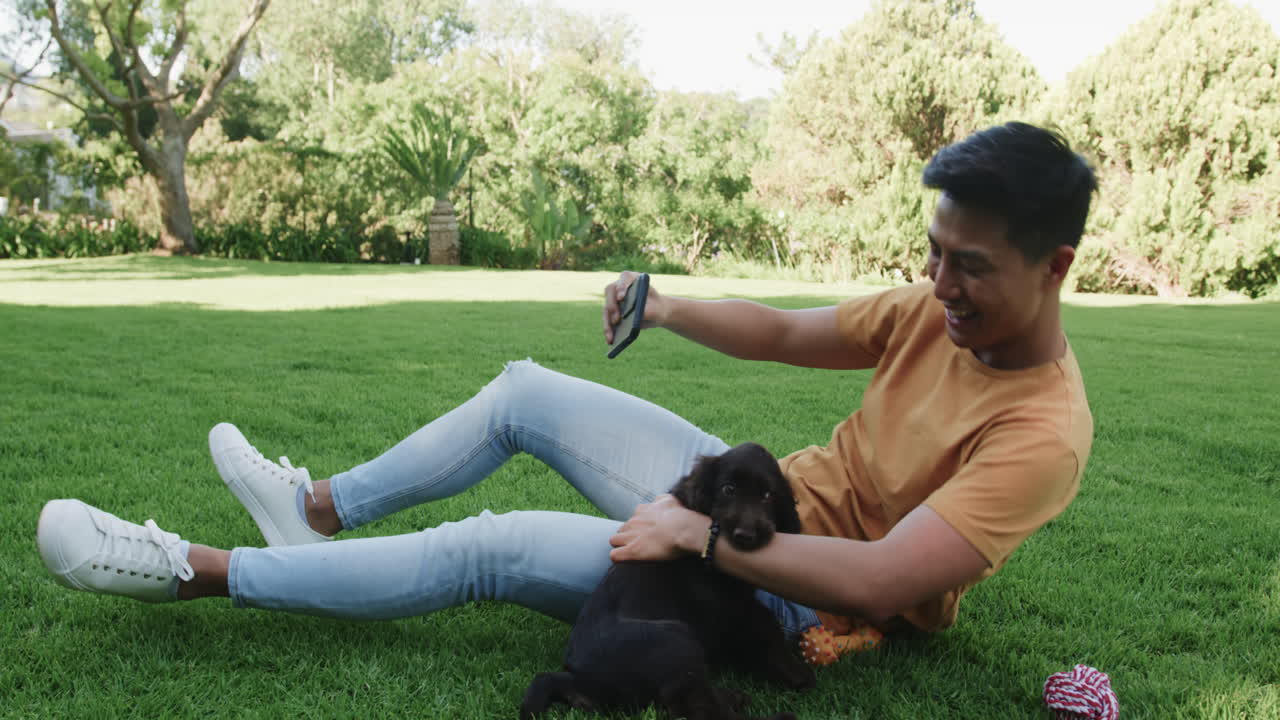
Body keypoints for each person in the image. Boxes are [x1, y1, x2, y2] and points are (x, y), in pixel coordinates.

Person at [36, 121, 1097, 646]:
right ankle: (314, 509)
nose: (936, 283)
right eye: (932, 252)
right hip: (750, 500)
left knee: (486, 549)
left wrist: (702, 541)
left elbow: (879, 585)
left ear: (1052, 267)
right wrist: (666, 302)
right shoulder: (928, 313)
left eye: (969, 266)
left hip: (785, 593)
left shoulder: (1042, 433)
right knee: (522, 389)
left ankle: (188, 568)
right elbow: (781, 329)